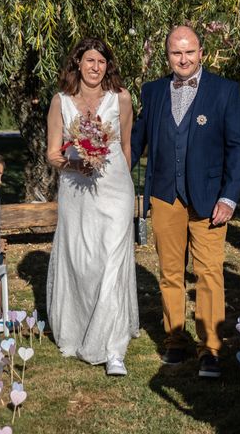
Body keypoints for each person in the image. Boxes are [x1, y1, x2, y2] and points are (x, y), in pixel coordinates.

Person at [131, 25, 240, 378]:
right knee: (169, 272)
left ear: (202, 52)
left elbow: (238, 148)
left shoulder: (225, 91)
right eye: (175, 53)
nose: (182, 59)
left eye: (188, 52)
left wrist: (229, 196)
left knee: (209, 272)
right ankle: (174, 340)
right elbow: (137, 141)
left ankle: (210, 348)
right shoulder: (152, 92)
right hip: (165, 195)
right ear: (168, 56)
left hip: (210, 198)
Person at [46, 38, 139, 376]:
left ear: (107, 66)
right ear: (78, 63)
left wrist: (124, 183)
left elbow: (127, 146)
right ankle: (79, 327)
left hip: (115, 189)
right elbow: (52, 153)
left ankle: (113, 348)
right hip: (76, 190)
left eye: (101, 61)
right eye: (89, 60)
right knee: (84, 260)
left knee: (113, 260)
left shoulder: (121, 99)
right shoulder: (61, 102)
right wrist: (75, 164)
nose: (95, 67)